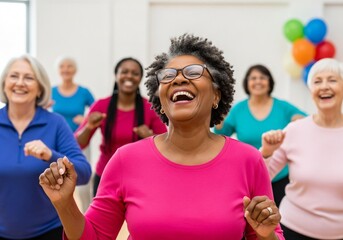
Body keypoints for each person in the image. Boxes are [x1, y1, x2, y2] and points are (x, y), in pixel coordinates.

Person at [39, 34, 284, 240]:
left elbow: (270, 234)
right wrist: (65, 204)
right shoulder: (126, 159)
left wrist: (267, 235)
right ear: (161, 103)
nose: (178, 78)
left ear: (216, 95)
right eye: (168, 76)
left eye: (193, 72)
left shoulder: (248, 160)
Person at [0, 54, 91, 239]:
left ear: (40, 88)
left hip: (49, 232)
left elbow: (83, 173)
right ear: (4, 84)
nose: (20, 83)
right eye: (14, 76)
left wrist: (51, 155)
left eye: (28, 78)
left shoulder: (55, 124)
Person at [260, 58, 343, 239]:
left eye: (332, 80)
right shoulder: (295, 130)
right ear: (311, 90)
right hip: (293, 230)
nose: (324, 86)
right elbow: (260, 177)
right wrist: (266, 151)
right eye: (317, 81)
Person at [214, 64, 306, 207]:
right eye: (254, 78)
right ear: (247, 83)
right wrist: (218, 117)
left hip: (280, 177)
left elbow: (306, 122)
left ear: (269, 82)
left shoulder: (283, 107)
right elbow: (221, 134)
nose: (258, 81)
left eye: (262, 78)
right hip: (249, 177)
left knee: (279, 224)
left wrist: (298, 123)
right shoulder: (238, 109)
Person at [74, 57, 167, 196]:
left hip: (140, 178)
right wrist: (89, 127)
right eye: (124, 72)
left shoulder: (150, 108)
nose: (129, 76)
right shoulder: (101, 105)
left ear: (140, 78)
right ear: (116, 75)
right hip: (106, 176)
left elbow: (167, 146)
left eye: (135, 73)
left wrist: (150, 137)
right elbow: (77, 144)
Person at [51, 56, 95, 213]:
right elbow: (40, 111)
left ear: (74, 70)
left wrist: (85, 119)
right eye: (62, 66)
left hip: (80, 142)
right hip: (57, 143)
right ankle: (62, 216)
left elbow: (98, 112)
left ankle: (88, 215)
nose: (66, 69)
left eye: (69, 66)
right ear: (58, 70)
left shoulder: (83, 92)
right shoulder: (52, 92)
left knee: (83, 183)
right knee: (59, 181)